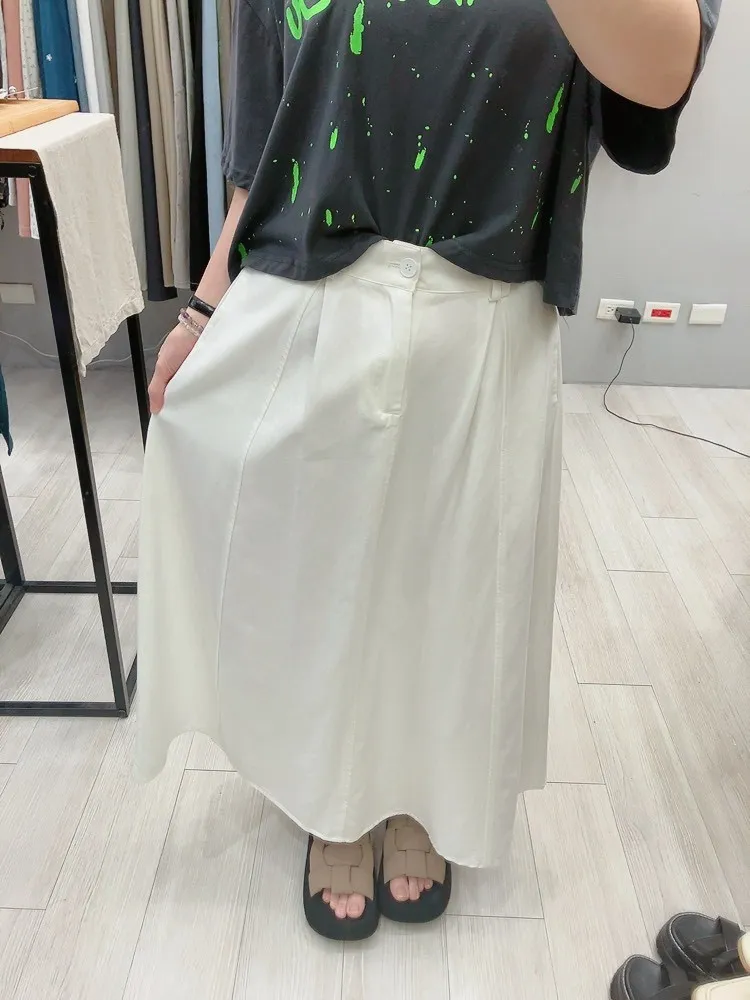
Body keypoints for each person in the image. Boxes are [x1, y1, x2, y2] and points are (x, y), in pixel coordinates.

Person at [136, 0, 720, 941]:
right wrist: (203, 310)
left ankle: (420, 791)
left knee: (453, 593)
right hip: (309, 298)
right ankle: (332, 796)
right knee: (320, 587)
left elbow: (658, 81)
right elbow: (266, 152)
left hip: (486, 312)